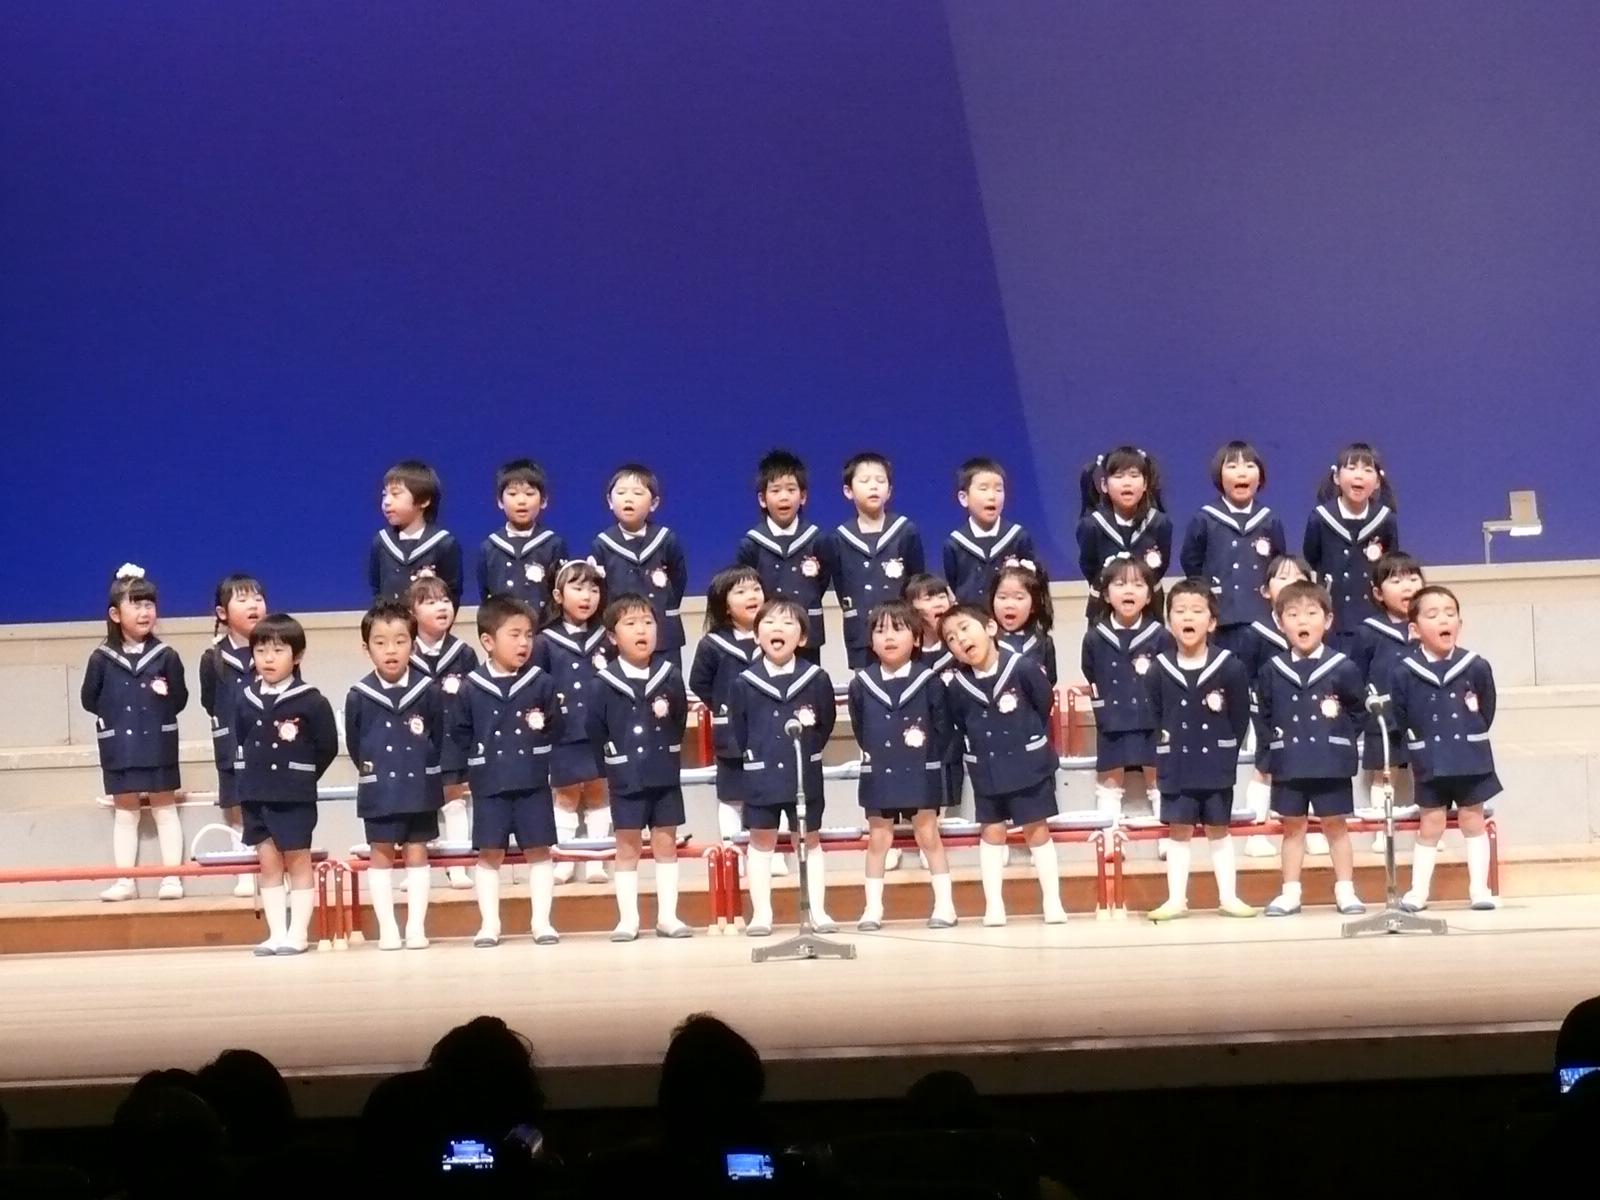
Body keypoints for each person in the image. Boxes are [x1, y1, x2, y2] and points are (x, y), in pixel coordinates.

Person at [940, 605, 1067, 926]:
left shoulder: (1022, 667)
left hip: (1028, 766)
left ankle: (1052, 902)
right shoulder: (957, 685)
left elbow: (1043, 703)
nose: (960, 640)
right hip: (987, 769)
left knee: (1036, 831)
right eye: (951, 638)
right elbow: (960, 722)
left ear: (990, 628)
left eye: (965, 628)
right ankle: (994, 906)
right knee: (992, 832)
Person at [450, 596, 564, 946]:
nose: (523, 643)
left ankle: (541, 922)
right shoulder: (470, 687)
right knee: (489, 854)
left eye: (528, 635)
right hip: (490, 785)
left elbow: (554, 726)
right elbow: (460, 735)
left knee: (539, 851)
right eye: (514, 635)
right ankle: (490, 925)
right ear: (488, 641)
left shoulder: (541, 683)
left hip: (532, 782)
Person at [1254, 581, 1368, 916]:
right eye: (1292, 614)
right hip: (1288, 762)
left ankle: (1345, 890)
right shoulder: (1271, 670)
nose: (1302, 621)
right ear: (1280, 623)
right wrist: (1272, 754)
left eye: (1311, 613)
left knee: (1335, 826)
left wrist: (1338, 739)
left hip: (1330, 762)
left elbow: (1358, 711)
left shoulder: (1342, 667)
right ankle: (1290, 892)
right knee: (1293, 828)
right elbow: (1264, 716)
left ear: (1328, 620)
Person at [1146, 580, 1257, 920]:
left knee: (1218, 831)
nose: (1187, 617)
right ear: (1169, 621)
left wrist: (1225, 750)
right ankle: (1176, 899)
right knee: (1178, 832)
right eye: (1179, 611)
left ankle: (1229, 897)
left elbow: (1239, 717)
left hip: (1215, 765)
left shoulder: (1230, 666)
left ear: (1212, 622)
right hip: (1176, 765)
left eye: (1197, 610)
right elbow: (1154, 715)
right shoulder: (1158, 669)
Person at [728, 598, 837, 935]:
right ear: (756, 635)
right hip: (761, 775)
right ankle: (762, 914)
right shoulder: (744, 682)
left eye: (788, 623)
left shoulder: (816, 679)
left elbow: (825, 723)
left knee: (809, 839)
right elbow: (740, 730)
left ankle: (817, 911)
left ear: (802, 638)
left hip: (804, 772)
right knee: (761, 841)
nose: (778, 629)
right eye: (770, 622)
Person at [846, 600, 957, 930]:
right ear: (870, 641)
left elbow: (943, 729)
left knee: (928, 835)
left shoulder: (929, 681)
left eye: (898, 629)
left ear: (917, 638)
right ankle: (872, 909)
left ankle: (945, 906)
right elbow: (860, 727)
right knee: (878, 839)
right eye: (880, 631)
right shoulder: (861, 684)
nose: (889, 637)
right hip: (880, 771)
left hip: (920, 770)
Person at [587, 593, 692, 940]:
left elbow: (678, 719)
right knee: (628, 846)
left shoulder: (670, 675)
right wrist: (615, 761)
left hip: (663, 772)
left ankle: (668, 917)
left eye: (648, 622)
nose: (641, 630)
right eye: (631, 624)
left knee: (666, 843)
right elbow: (596, 729)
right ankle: (628, 920)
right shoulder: (603, 682)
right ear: (613, 637)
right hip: (626, 775)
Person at [82, 564, 189, 902]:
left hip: (158, 743)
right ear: (115, 614)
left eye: (149, 604)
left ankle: (172, 877)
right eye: (136, 605)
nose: (145, 612)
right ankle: (125, 881)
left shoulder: (165, 656)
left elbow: (180, 698)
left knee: (164, 809)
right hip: (120, 746)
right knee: (126, 812)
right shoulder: (101, 659)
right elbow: (89, 699)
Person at [233, 613, 339, 954]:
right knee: (268, 862)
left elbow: (326, 746)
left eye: (278, 650)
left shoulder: (311, 700)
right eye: (261, 650)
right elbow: (241, 739)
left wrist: (301, 776)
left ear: (297, 656)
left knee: (297, 860)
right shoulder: (245, 698)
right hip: (255, 793)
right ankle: (276, 933)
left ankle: (298, 934)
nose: (268, 658)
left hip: (294, 795)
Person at [1393, 585, 1501, 911]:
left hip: (1470, 757)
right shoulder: (1404, 672)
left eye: (1450, 613)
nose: (1444, 620)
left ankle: (1479, 889)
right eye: (1433, 614)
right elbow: (1401, 715)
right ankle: (1418, 892)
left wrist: (1469, 734)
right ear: (1415, 629)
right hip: (1430, 759)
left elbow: (1486, 709)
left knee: (1472, 820)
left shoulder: (1475, 666)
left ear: (1460, 624)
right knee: (1431, 824)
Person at [344, 601, 444, 950]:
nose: (391, 650)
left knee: (417, 852)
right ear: (366, 648)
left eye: (400, 641)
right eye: (381, 642)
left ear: (412, 645)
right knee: (381, 853)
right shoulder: (359, 695)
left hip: (419, 787)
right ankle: (388, 929)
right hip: (380, 790)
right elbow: (356, 745)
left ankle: (416, 928)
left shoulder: (427, 690)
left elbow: (438, 736)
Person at [688, 567, 788, 872]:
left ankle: (774, 855)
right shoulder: (713, 645)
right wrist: (724, 708)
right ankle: (736, 858)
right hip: (731, 736)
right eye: (741, 592)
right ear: (725, 604)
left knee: (775, 794)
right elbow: (699, 683)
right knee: (733, 798)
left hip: (772, 734)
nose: (751, 596)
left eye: (756, 589)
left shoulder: (776, 638)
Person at [534, 560, 612, 883]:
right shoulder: (544, 641)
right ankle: (564, 858)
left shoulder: (607, 636)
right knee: (566, 795)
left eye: (593, 589)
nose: (587, 596)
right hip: (563, 731)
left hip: (599, 730)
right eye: (577, 588)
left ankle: (596, 859)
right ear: (558, 595)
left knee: (598, 791)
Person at [1239, 554, 1319, 857]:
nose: (1290, 584)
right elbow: (1244, 677)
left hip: (1309, 713)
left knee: (1312, 768)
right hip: (1268, 715)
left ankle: (1312, 832)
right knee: (1265, 769)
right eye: (1282, 578)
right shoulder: (1255, 633)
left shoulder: (1317, 629)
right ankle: (1256, 834)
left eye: (1298, 577)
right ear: (1265, 590)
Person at [1179, 440, 1286, 658]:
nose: (1241, 473)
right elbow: (1191, 562)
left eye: (1249, 466)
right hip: (1220, 619)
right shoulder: (1205, 519)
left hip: (1262, 619)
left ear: (1260, 477)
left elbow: (1278, 565)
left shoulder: (1269, 520)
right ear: (1219, 476)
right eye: (1232, 466)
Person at [1081, 558, 1167, 826]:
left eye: (1138, 584)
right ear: (1106, 595)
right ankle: (1109, 834)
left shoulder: (1160, 635)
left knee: (1157, 775)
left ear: (1149, 595)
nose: (1129, 590)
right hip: (1113, 718)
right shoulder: (1095, 637)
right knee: (1110, 778)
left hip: (1151, 719)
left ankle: (1166, 834)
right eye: (1120, 584)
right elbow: (1090, 670)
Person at [199, 572, 267, 898]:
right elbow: (208, 701)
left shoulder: (273, 649)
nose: (253, 605)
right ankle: (244, 870)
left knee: (269, 806)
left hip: (269, 745)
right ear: (222, 613)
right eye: (243, 600)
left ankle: (273, 868)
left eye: (258, 598)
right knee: (238, 806)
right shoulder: (213, 658)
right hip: (231, 744)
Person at [1353, 551, 1425, 856]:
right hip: (1384, 717)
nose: (1407, 586)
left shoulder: (1427, 626)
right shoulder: (1368, 632)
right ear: (1378, 593)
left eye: (1413, 578)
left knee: (1426, 772)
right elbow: (1356, 675)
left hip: (1424, 715)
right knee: (1385, 773)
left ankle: (1429, 829)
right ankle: (1383, 831)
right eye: (1395, 581)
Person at [409, 575, 477, 888]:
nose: (442, 607)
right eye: (431, 602)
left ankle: (458, 865)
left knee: (455, 798)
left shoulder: (463, 654)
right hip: (417, 743)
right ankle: (416, 868)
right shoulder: (405, 653)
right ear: (413, 612)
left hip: (454, 741)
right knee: (418, 804)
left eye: (446, 600)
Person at [736, 449, 833, 664]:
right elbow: (747, 587)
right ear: (762, 499)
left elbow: (822, 580)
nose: (784, 497)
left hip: (807, 630)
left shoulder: (817, 539)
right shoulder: (751, 543)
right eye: (775, 490)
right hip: (769, 632)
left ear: (803, 496)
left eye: (791, 489)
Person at [1302, 442, 1400, 654]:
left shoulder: (1385, 519)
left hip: (1373, 616)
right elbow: (1312, 556)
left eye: (1367, 470)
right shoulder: (1320, 518)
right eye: (1352, 468)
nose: (1359, 475)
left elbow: (1391, 565)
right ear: (1337, 477)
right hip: (1334, 617)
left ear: (1377, 482)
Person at [832, 450, 926, 669]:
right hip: (860, 631)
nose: (873, 486)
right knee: (866, 685)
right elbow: (841, 585)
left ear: (889, 491)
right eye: (864, 481)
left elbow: (916, 580)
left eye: (880, 481)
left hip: (902, 629)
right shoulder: (839, 538)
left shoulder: (905, 531)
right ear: (848, 491)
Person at [589, 463, 688, 654]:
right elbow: (600, 590)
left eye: (637, 493)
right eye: (621, 492)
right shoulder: (602, 544)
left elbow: (678, 579)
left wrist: (663, 604)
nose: (629, 498)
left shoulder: (666, 539)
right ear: (610, 501)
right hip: (621, 631)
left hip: (663, 630)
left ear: (654, 503)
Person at [1076, 445, 1172, 620]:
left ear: (1145, 483)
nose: (1127, 482)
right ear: (1104, 485)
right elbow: (1089, 566)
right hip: (1104, 608)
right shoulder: (1091, 525)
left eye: (1134, 475)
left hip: (1149, 608)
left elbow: (1162, 565)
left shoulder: (1159, 523)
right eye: (1118, 476)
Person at [942, 457, 1041, 606]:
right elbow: (954, 583)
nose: (992, 496)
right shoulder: (954, 544)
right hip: (971, 616)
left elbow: (1031, 583)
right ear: (964, 498)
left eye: (999, 489)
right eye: (983, 489)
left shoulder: (1018, 537)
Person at [368, 459, 463, 605]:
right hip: (390, 619)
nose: (387, 501)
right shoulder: (381, 541)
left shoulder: (444, 543)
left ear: (424, 501)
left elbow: (452, 593)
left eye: (395, 494)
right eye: (384, 494)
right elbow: (377, 590)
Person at [476, 458, 568, 608]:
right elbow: (485, 594)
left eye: (529, 494)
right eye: (512, 494)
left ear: (543, 501)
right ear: (500, 501)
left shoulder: (554, 544)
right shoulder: (489, 547)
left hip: (543, 621)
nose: (521, 501)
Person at [991, 560, 1057, 685]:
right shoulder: (987, 641)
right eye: (1002, 597)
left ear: (1034, 605)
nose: (1009, 605)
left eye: (1019, 598)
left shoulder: (1043, 643)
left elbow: (1050, 681)